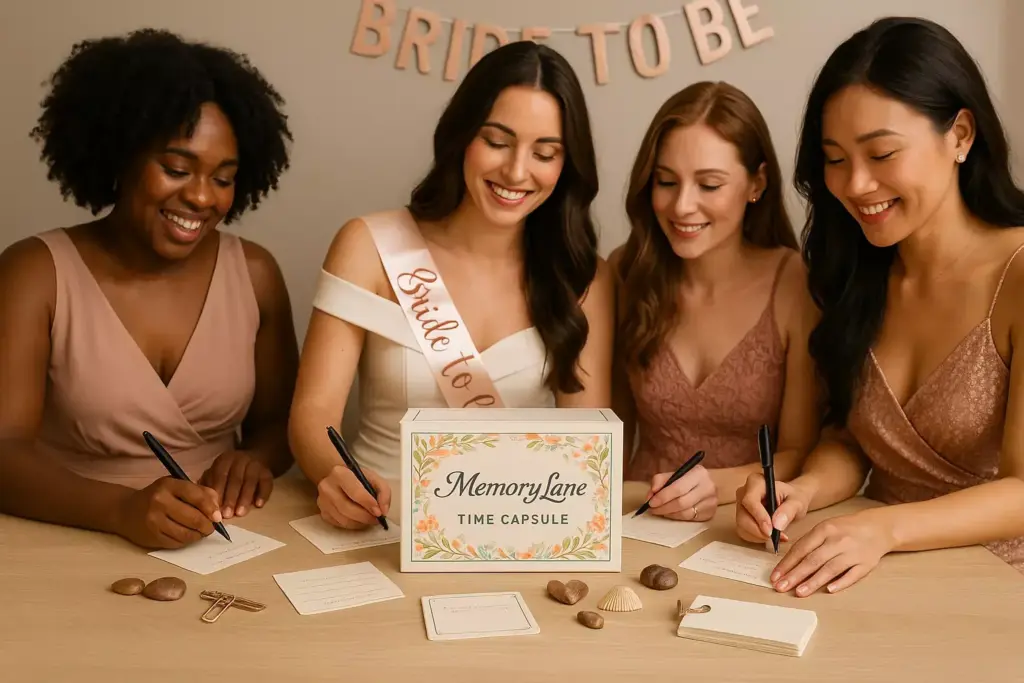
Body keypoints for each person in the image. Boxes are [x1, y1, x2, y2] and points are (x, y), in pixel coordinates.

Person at [736, 16, 1024, 593]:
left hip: (999, 590)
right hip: (879, 578)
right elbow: (854, 439)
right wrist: (806, 491)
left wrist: (882, 528)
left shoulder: (1016, 276)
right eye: (835, 159)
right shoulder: (857, 269)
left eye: (882, 153)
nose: (856, 185)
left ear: (961, 135)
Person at [288, 41, 614, 530]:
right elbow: (313, 413)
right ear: (463, 135)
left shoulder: (584, 277)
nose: (516, 171)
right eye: (498, 142)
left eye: (544, 153)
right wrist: (335, 475)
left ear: (566, 165)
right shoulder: (369, 246)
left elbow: (586, 448)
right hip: (377, 529)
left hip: (522, 538)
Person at [0, 29, 298, 549]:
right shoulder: (33, 272)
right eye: (177, 169)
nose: (202, 197)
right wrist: (120, 509)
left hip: (225, 539)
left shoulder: (255, 274)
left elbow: (280, 422)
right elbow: (3, 451)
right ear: (120, 156)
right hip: (65, 534)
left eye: (223, 178)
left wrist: (253, 460)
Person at [610, 82, 821, 522]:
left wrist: (718, 486)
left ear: (756, 183)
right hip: (635, 516)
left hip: (743, 525)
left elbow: (799, 453)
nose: (683, 205)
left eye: (709, 184)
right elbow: (609, 435)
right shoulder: (626, 273)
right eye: (666, 181)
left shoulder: (793, 282)